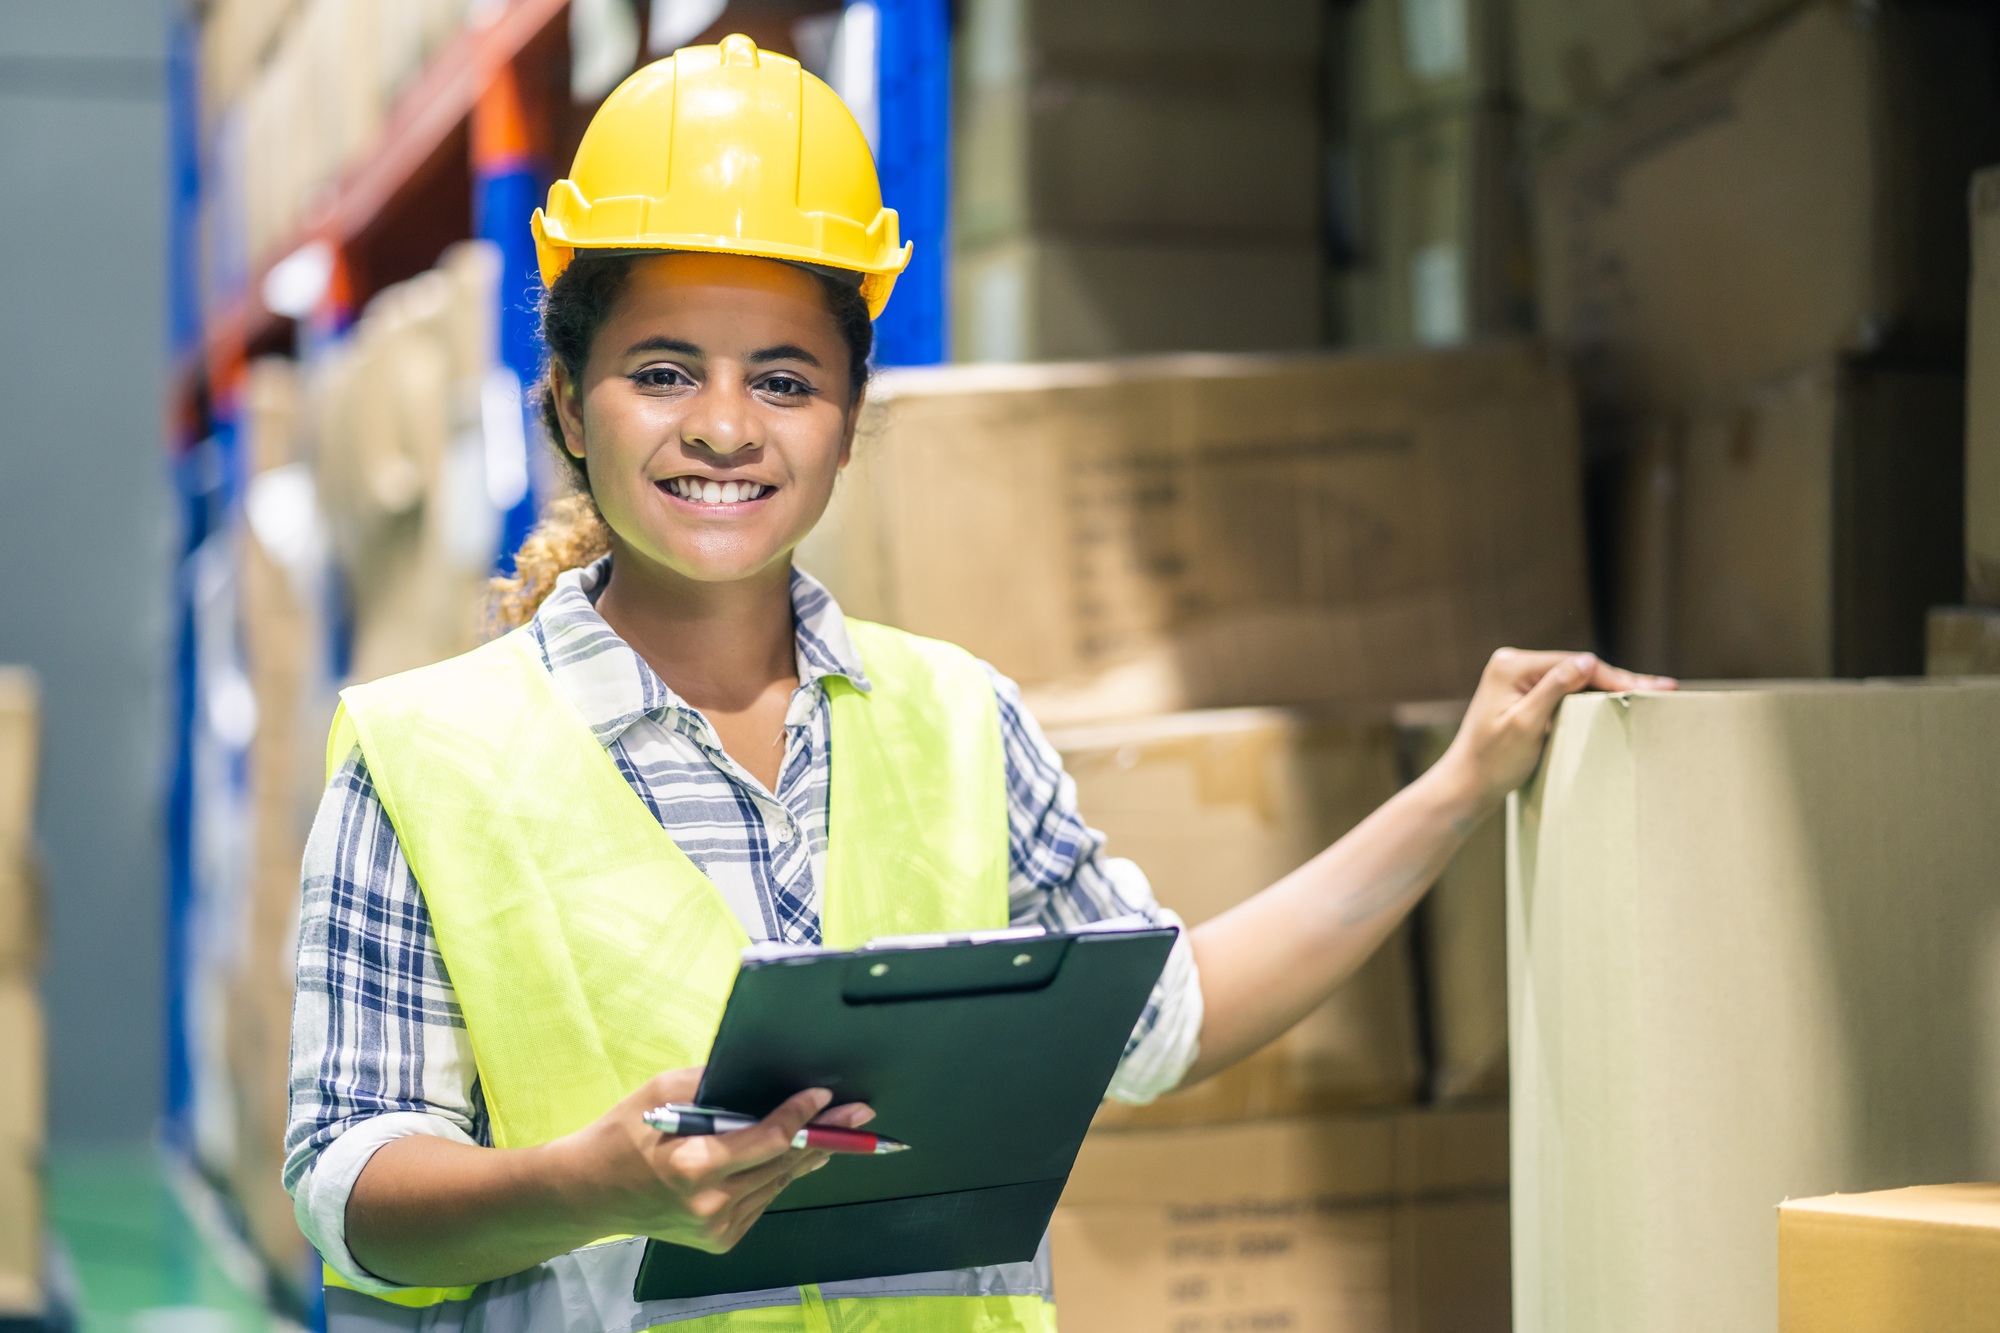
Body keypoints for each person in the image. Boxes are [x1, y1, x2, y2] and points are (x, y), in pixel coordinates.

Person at [283, 33, 1673, 1333]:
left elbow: (1159, 1016)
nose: (722, 423)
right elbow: (351, 1199)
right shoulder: (426, 757)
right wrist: (594, 1182)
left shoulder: (956, 719)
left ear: (847, 417)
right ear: (570, 403)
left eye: (784, 378)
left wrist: (1459, 782)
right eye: (661, 370)